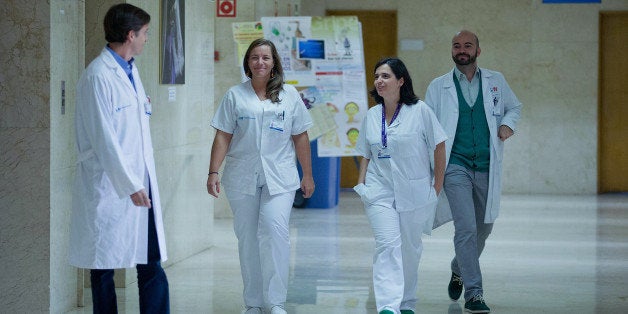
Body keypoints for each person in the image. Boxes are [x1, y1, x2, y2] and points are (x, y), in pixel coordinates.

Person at [68, 3, 170, 313]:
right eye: (145, 33)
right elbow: (103, 139)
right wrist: (128, 184)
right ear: (130, 35)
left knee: (150, 259)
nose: (146, 39)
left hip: (140, 181)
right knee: (103, 267)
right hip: (110, 186)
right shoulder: (98, 76)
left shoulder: (130, 70)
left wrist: (138, 183)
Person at [206, 38, 315, 314]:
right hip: (242, 176)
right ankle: (253, 303)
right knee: (248, 238)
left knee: (276, 234)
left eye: (265, 58)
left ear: (274, 62)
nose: (260, 63)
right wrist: (213, 171)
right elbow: (223, 136)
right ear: (248, 63)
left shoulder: (290, 96)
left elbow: (301, 136)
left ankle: (275, 301)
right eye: (255, 57)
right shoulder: (234, 95)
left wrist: (308, 175)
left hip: (280, 177)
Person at [424, 30, 522, 313]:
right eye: (456, 46)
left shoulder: (496, 81)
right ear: (452, 51)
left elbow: (514, 107)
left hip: (487, 165)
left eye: (468, 45)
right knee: (465, 227)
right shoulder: (438, 86)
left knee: (484, 228)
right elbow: (426, 124)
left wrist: (508, 125)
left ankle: (458, 267)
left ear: (478, 50)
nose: (461, 50)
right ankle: (474, 294)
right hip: (455, 165)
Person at [353, 57, 447, 314]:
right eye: (377, 76)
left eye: (386, 76)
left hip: (415, 190)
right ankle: (388, 306)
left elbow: (439, 145)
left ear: (401, 80)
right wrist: (361, 185)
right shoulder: (372, 115)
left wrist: (436, 186)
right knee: (387, 244)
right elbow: (365, 152)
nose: (379, 81)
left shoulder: (420, 111)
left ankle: (406, 303)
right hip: (378, 190)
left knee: (410, 248)